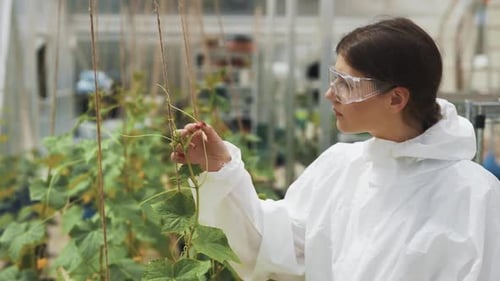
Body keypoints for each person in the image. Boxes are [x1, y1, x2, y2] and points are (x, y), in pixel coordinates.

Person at [171, 17, 500, 281]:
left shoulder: (474, 195)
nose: (330, 94)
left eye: (347, 84)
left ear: (396, 98)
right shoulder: (342, 166)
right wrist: (221, 167)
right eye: (334, 78)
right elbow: (276, 248)